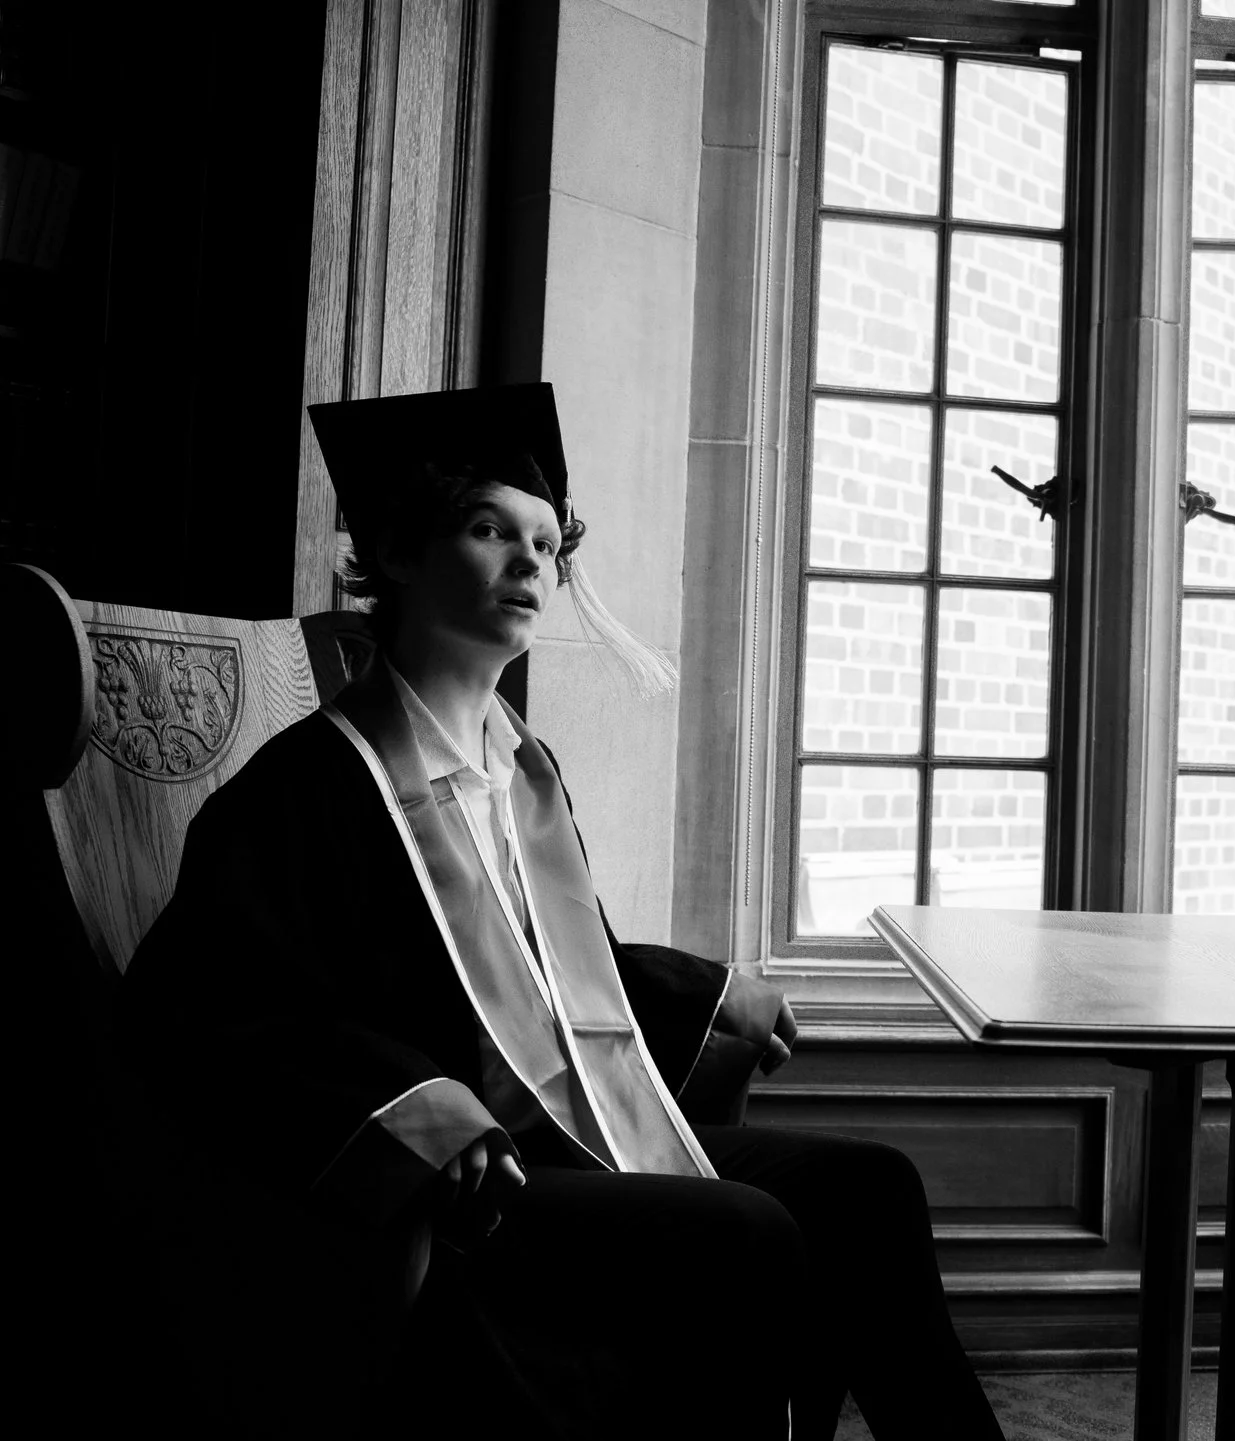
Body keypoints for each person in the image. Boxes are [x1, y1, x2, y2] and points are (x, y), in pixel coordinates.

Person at [115, 384, 1004, 1440]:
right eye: (490, 530)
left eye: (545, 542)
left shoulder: (521, 771)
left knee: (867, 1188)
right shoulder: (307, 787)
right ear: (396, 553)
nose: (530, 563)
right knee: (751, 1230)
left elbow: (560, 979)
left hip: (576, 1136)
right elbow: (208, 1008)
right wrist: (418, 1108)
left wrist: (714, 990)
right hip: (470, 1188)